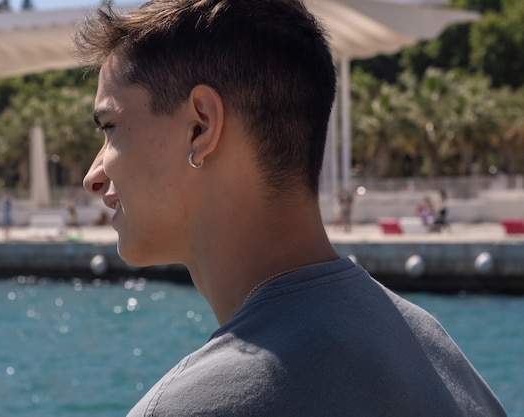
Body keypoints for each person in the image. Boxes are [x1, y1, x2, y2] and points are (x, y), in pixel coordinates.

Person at [75, 1, 506, 415]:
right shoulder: (437, 355)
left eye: (110, 127)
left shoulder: (187, 408)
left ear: (200, 127)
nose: (92, 176)